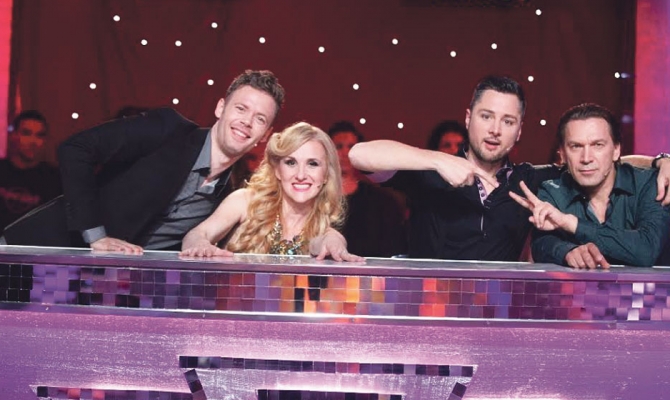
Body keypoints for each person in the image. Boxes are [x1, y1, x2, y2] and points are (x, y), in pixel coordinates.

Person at [349, 75, 670, 261]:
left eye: (507, 121)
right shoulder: (430, 172)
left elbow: (596, 162)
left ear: (519, 131)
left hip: (494, 318)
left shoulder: (530, 179)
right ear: (468, 118)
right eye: (486, 116)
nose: (494, 130)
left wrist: (661, 161)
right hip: (430, 310)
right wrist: (437, 160)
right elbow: (359, 155)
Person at [2, 70, 283, 253]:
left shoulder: (232, 194)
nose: (247, 121)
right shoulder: (168, 129)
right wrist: (96, 235)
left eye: (259, 119)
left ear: (265, 135)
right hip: (37, 252)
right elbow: (76, 148)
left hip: (95, 293)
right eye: (241, 108)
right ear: (221, 107)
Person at [510, 103, 670, 268]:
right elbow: (543, 244)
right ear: (562, 154)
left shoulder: (650, 184)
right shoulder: (552, 191)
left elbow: (646, 250)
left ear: (616, 150)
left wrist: (572, 224)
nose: (586, 158)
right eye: (576, 146)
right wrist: (567, 252)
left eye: (597, 145)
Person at [180, 121, 363, 262]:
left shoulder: (322, 230)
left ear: (325, 175)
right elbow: (196, 235)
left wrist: (336, 243)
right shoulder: (245, 202)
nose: (301, 175)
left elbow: (328, 240)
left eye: (312, 164)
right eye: (291, 162)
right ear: (277, 169)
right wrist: (200, 244)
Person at [327, 121, 407, 257]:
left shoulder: (381, 201)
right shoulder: (314, 197)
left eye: (351, 147)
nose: (345, 153)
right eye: (339, 146)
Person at [0, 110, 61, 231]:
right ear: (13, 136)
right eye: (26, 133)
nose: (33, 141)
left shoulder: (54, 179)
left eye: (39, 135)